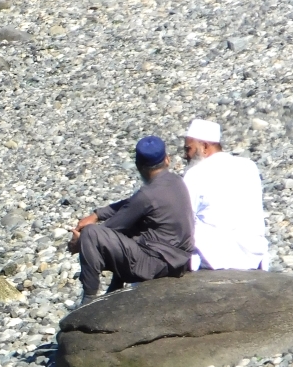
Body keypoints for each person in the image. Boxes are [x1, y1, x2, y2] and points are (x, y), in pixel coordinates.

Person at [69, 135, 194, 306]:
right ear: (167, 159)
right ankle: (115, 288)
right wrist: (97, 214)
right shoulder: (176, 181)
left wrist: (80, 242)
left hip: (157, 264)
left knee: (92, 234)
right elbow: (132, 204)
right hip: (180, 259)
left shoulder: (147, 195)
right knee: (134, 230)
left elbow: (111, 228)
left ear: (138, 166)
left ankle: (89, 301)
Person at [181, 118, 268, 271]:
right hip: (254, 255)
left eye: (189, 149)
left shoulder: (195, 174)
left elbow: (184, 218)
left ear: (205, 147)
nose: (185, 155)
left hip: (216, 259)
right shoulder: (248, 166)